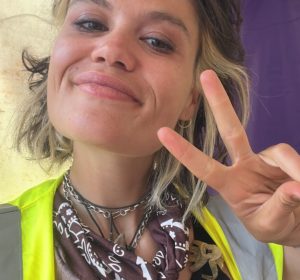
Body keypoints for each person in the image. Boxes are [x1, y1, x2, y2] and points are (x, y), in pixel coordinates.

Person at [3, 0, 300, 279]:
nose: (111, 49)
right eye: (91, 23)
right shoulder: (6, 242)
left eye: (157, 41)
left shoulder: (271, 238)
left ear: (191, 99)